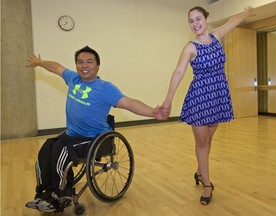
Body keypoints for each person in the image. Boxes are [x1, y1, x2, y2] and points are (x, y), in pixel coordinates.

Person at [25, 46, 166, 212]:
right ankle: (44, 193)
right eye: (80, 62)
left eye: (89, 62)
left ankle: (59, 196)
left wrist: (152, 112)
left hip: (94, 138)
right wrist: (39, 62)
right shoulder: (73, 78)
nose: (84, 65)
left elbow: (128, 103)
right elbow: (56, 67)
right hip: (72, 134)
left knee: (60, 150)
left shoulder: (105, 88)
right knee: (47, 148)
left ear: (98, 66)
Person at [161, 6, 255, 205]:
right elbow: (178, 72)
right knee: (202, 142)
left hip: (218, 95)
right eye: (191, 21)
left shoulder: (216, 36)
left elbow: (231, 23)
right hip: (200, 97)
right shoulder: (190, 47)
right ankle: (207, 185)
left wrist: (245, 14)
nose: (195, 23)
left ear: (207, 18)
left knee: (209, 139)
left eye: (198, 19)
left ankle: (198, 171)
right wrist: (168, 99)